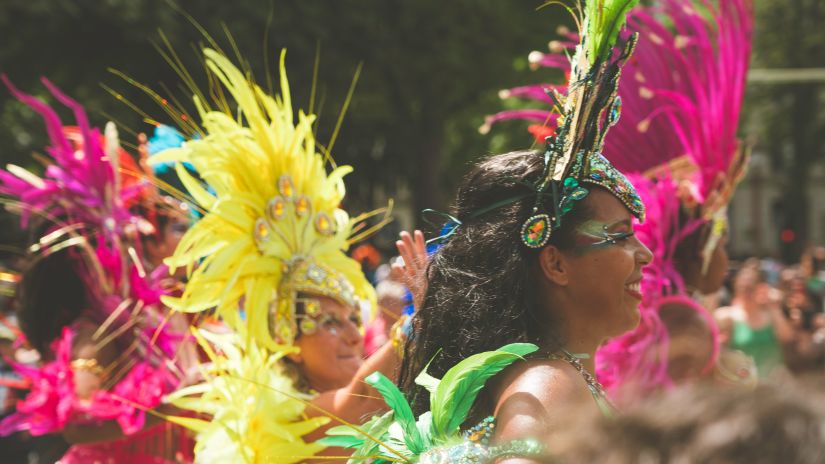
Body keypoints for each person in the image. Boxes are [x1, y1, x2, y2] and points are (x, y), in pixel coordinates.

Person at [146, 48, 421, 462]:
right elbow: (363, 397)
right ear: (286, 341)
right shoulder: (291, 412)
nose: (352, 334)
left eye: (351, 318)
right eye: (329, 321)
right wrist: (427, 316)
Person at [488, 0, 755, 397]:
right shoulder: (548, 386)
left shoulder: (568, 365)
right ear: (555, 263)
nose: (642, 253)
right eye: (619, 235)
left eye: (635, 234)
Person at [0, 78, 196, 463]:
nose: (137, 233)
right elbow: (76, 421)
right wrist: (172, 408)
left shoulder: (160, 311)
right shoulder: (95, 330)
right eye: (123, 239)